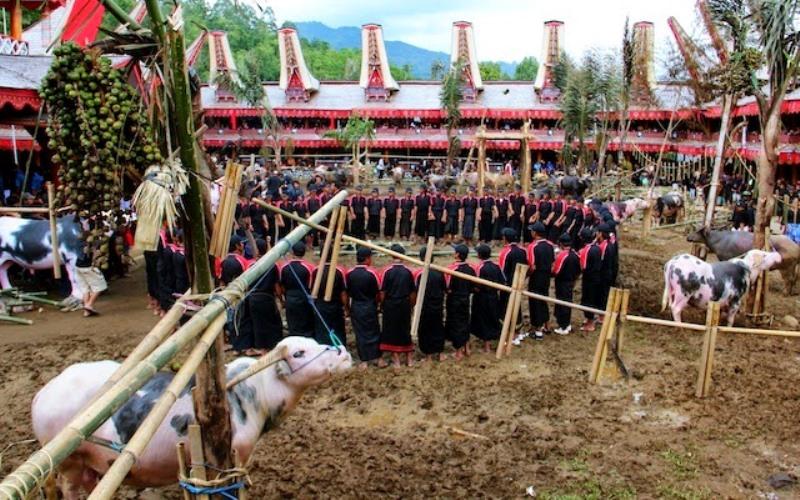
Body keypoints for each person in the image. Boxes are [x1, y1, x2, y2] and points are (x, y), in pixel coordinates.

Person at [379, 245, 416, 367]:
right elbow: (412, 292)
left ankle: (396, 360)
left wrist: (382, 304)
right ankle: (409, 359)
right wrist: (411, 305)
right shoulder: (408, 271)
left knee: (392, 331)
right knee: (405, 329)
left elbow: (382, 292)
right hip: (404, 303)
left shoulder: (387, 271)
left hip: (391, 304)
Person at [346, 248, 383, 368]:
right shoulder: (372, 273)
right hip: (369, 304)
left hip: (356, 304)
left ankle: (364, 360)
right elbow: (378, 292)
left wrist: (347, 307)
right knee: (373, 330)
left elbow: (346, 292)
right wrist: (377, 303)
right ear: (367, 258)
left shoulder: (349, 273)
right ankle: (377, 358)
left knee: (360, 332)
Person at [277, 241, 316, 337]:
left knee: (293, 324)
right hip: (305, 297)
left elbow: (281, 285)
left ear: (292, 252)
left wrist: (283, 298)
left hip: (290, 297)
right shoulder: (309, 267)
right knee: (306, 323)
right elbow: (312, 285)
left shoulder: (284, 267)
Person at [414, 247, 447, 362]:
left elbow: (415, 291)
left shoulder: (419, 274)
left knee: (426, 330)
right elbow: (444, 288)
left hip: (425, 306)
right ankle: (440, 353)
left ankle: (428, 355)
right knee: (438, 327)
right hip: (437, 305)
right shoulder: (439, 272)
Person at [471, 244, 504, 352]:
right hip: (494, 296)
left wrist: (476, 289)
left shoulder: (479, 267)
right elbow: (502, 281)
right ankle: (499, 342)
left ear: (479, 255)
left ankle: (487, 347)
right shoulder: (496, 266)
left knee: (484, 319)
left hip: (482, 297)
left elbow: (476, 284)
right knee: (493, 317)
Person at [446, 244, 476, 360]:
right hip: (466, 298)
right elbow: (474, 286)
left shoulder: (451, 269)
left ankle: (458, 351)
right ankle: (467, 347)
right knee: (465, 320)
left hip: (454, 299)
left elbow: (447, 287)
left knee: (456, 323)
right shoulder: (471, 268)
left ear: (457, 254)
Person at [526, 222, 554, 340]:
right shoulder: (550, 245)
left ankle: (538, 331)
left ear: (535, 233)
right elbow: (553, 262)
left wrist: (527, 276)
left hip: (536, 276)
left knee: (535, 302)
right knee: (544, 299)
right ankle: (546, 325)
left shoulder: (532, 246)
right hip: (546, 276)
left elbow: (532, 266)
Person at [311, 262, 348, 346]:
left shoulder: (316, 270)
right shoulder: (339, 271)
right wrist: (346, 307)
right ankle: (338, 348)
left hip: (321, 305)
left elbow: (311, 289)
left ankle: (325, 348)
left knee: (321, 328)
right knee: (337, 329)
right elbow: (343, 293)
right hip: (335, 305)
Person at [552, 233, 581, 335]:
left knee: (562, 303)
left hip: (562, 282)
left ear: (561, 243)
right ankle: (567, 324)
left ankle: (563, 325)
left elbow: (556, 271)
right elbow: (580, 269)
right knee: (568, 302)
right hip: (571, 281)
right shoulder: (576, 254)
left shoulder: (562, 256)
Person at [578, 227, 603, 332]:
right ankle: (592, 319)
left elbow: (583, 266)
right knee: (594, 298)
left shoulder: (585, 250)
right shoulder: (598, 247)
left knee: (587, 300)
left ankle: (590, 322)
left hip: (588, 278)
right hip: (597, 276)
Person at [74, 243, 107, 317]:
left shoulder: (80, 243)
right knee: (100, 286)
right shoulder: (93, 244)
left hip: (78, 267)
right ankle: (89, 304)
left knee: (85, 289)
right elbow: (95, 257)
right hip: (88, 268)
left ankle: (86, 311)